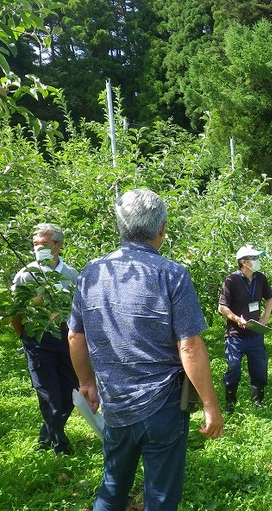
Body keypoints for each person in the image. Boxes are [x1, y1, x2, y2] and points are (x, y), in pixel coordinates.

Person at [67, 189, 223, 510]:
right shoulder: (172, 275)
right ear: (162, 228)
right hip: (163, 407)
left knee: (112, 490)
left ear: (120, 227)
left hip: (116, 405)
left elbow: (75, 337)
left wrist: (87, 384)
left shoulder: (92, 273)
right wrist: (210, 405)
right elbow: (190, 347)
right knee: (161, 498)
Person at [11, 223, 79, 455]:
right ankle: (60, 445)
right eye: (36, 245)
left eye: (45, 244)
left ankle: (46, 436)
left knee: (71, 392)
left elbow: (78, 311)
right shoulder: (26, 275)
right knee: (48, 393)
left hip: (64, 338)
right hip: (37, 339)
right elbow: (15, 313)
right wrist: (27, 337)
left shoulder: (71, 275)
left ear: (58, 246)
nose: (39, 248)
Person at [218, 244, 272, 414]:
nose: (257, 261)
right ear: (243, 262)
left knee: (259, 367)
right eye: (254, 258)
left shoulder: (260, 278)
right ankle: (230, 401)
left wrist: (265, 318)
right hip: (235, 335)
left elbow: (270, 298)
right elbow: (222, 307)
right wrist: (236, 318)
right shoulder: (231, 280)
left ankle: (258, 400)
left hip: (255, 333)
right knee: (233, 368)